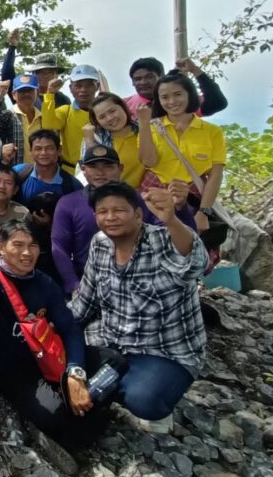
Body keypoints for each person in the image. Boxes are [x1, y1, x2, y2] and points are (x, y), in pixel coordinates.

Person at [72, 182, 209, 427]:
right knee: (63, 362)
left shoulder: (162, 240)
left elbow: (195, 263)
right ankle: (110, 384)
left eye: (119, 210)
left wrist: (171, 220)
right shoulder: (100, 243)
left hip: (162, 351)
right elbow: (86, 300)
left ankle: (130, 388)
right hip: (111, 341)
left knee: (144, 400)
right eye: (103, 212)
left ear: (137, 214)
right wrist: (55, 325)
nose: (110, 217)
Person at [0, 222, 108, 450]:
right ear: (1, 248)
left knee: (114, 362)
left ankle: (79, 398)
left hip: (50, 353)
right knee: (55, 417)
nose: (27, 252)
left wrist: (75, 372)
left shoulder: (44, 282)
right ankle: (88, 408)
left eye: (32, 245)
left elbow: (69, 327)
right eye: (18, 245)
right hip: (14, 368)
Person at [51, 145, 196, 297]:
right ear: (83, 169)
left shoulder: (141, 199)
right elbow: (59, 247)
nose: (100, 172)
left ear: (120, 168)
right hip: (89, 285)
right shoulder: (68, 203)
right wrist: (74, 285)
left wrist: (180, 209)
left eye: (108, 166)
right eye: (93, 167)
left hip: (140, 284)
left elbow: (182, 242)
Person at [137, 71, 227, 235]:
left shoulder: (212, 131)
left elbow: (215, 175)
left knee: (194, 245)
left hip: (193, 198)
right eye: (165, 97)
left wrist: (204, 211)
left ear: (189, 94)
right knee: (154, 243)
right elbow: (149, 161)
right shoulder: (150, 128)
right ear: (158, 100)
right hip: (155, 196)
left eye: (177, 94)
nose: (172, 101)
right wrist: (144, 124)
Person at [42, 64, 101, 173]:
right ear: (70, 88)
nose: (83, 90)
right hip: (70, 172)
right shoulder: (66, 111)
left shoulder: (105, 112)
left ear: (97, 86)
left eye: (88, 85)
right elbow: (48, 125)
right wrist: (50, 93)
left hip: (100, 171)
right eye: (78, 85)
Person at [125, 57, 227, 119]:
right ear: (132, 82)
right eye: (137, 79)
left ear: (161, 77)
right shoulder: (124, 105)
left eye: (149, 76)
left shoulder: (181, 101)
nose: (143, 82)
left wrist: (195, 70)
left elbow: (217, 103)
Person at [83, 92, 143, 188]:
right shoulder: (96, 139)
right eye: (102, 117)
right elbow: (92, 173)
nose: (109, 118)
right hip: (117, 194)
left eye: (112, 111)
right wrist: (89, 141)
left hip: (153, 192)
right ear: (96, 121)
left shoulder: (145, 129)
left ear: (123, 107)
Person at [12, 130, 82, 205]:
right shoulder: (18, 172)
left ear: (59, 151)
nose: (43, 153)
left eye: (49, 148)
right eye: (38, 148)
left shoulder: (72, 186)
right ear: (30, 151)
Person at [0, 75, 42, 166]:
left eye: (30, 90)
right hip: (13, 171)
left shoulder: (43, 118)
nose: (26, 94)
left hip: (40, 171)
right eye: (21, 91)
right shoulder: (6, 116)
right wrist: (1, 95)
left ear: (37, 92)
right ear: (13, 95)